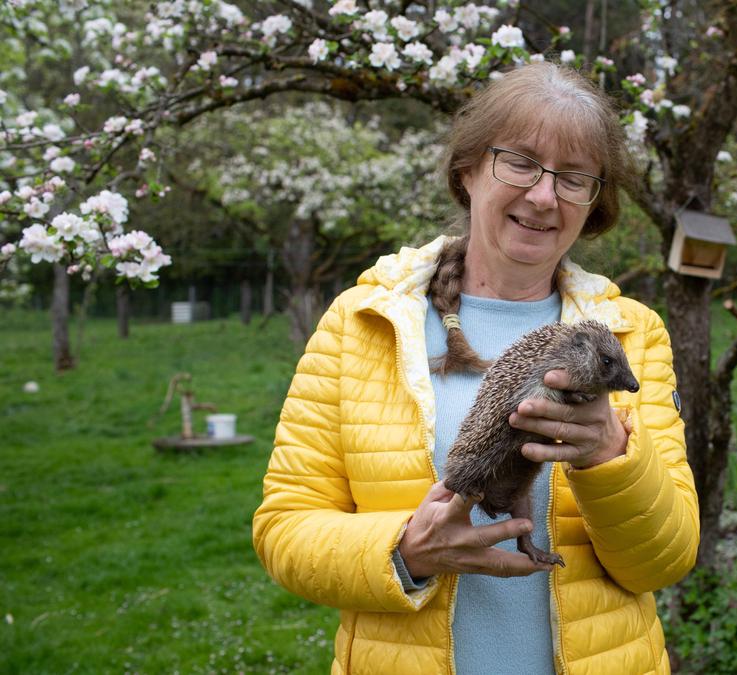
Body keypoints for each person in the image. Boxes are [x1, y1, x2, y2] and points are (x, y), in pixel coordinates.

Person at [251, 62, 699, 675]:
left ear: (594, 202)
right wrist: (408, 551)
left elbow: (664, 561)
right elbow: (285, 529)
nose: (544, 196)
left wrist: (609, 456)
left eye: (574, 178)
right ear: (468, 170)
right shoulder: (363, 324)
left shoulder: (631, 335)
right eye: (520, 162)